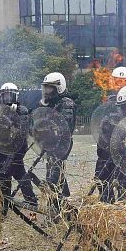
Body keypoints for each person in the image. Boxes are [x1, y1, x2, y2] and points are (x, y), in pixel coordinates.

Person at [95, 85, 126, 203]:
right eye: (124, 108)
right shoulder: (116, 121)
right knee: (103, 181)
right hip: (119, 163)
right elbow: (104, 148)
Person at [0, 82, 38, 210]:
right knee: (7, 176)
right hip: (3, 148)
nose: (7, 99)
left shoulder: (22, 111)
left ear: (16, 96)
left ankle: (31, 201)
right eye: (5, 96)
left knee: (17, 174)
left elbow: (22, 131)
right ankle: (5, 205)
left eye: (10, 95)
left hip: (17, 149)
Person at [39, 72, 76, 213]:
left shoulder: (66, 104)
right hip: (51, 144)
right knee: (55, 173)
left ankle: (55, 211)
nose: (47, 91)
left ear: (59, 88)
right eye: (45, 88)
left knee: (53, 177)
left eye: (50, 88)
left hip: (61, 145)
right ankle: (63, 200)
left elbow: (63, 126)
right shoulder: (53, 104)